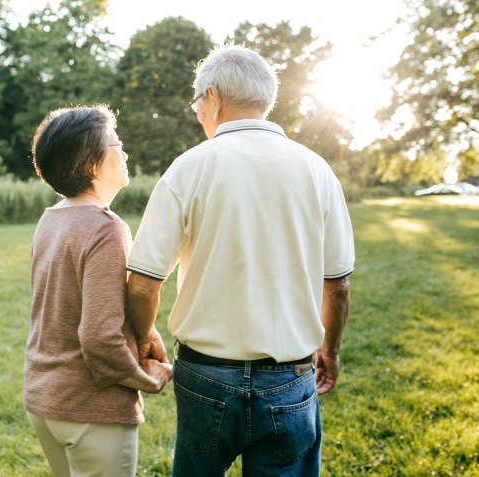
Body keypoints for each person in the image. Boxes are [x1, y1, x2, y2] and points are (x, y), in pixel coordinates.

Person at [125, 45, 354, 476]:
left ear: (211, 97)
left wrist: (142, 336)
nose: (198, 113)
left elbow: (142, 282)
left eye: (197, 103)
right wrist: (332, 350)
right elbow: (337, 284)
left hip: (205, 375)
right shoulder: (317, 169)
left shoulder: (187, 168)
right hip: (289, 376)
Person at [23, 105, 173, 477]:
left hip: (43, 400)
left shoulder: (51, 218)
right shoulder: (106, 227)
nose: (124, 153)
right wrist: (144, 380)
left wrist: (146, 331)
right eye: (115, 143)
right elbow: (99, 339)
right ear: (90, 162)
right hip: (90, 409)